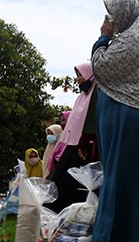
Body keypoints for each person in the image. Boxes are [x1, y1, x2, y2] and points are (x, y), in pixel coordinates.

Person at [91, 0, 139, 242]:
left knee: (123, 176)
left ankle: (125, 238)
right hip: (138, 115)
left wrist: (103, 37)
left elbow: (99, 66)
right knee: (136, 177)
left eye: (113, 13)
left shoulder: (131, 41)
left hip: (128, 116)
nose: (110, 19)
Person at [47, 61, 99, 213]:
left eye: (81, 75)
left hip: (86, 147)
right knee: (61, 182)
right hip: (71, 146)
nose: (78, 79)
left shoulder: (95, 95)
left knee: (73, 188)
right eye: (77, 75)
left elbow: (91, 121)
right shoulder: (81, 98)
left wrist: (84, 141)